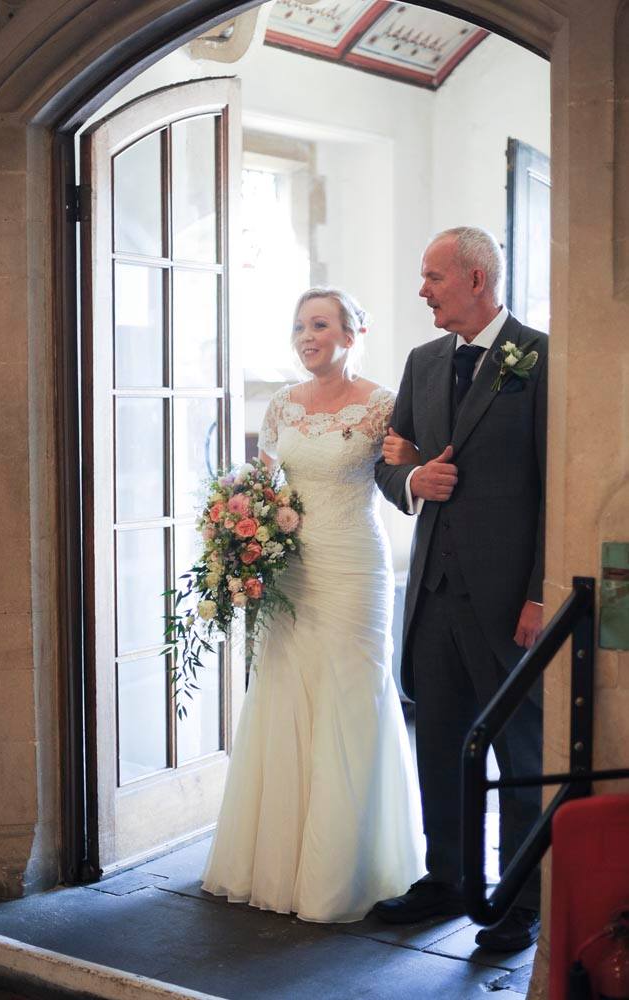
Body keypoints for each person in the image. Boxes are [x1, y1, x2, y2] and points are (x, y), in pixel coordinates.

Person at [202, 287, 424, 922]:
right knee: (286, 693)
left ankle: (347, 866)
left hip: (354, 565)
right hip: (292, 569)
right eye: (299, 325)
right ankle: (279, 860)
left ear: (350, 335)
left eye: (320, 324)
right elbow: (264, 482)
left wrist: (412, 467)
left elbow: (397, 475)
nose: (307, 335)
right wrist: (241, 533)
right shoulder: (282, 405)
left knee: (352, 693)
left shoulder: (382, 404)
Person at [374, 227, 547, 953]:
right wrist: (414, 481)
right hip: (433, 594)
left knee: (520, 754)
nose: (422, 291)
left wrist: (540, 591)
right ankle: (446, 877)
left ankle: (517, 900)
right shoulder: (421, 363)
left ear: (476, 279)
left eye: (432, 277)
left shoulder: (540, 357)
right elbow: (388, 463)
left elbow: (554, 484)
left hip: (510, 602)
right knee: (438, 741)